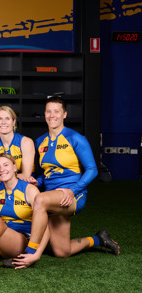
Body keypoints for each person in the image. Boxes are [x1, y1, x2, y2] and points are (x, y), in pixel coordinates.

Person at [16, 97, 120, 267]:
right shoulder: (40, 141)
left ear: (64, 114)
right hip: (52, 197)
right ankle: (99, 239)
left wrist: (73, 190)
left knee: (39, 200)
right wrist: (37, 181)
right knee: (62, 252)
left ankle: (29, 253)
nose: (52, 115)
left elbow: (93, 170)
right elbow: (46, 175)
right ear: (44, 114)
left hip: (72, 195)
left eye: (57, 111)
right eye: (48, 111)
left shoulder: (75, 138)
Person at [0, 106, 36, 187]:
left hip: (25, 186)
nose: (3, 122)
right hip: (2, 187)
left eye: (7, 119)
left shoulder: (25, 142)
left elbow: (26, 176)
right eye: (0, 119)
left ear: (13, 122)